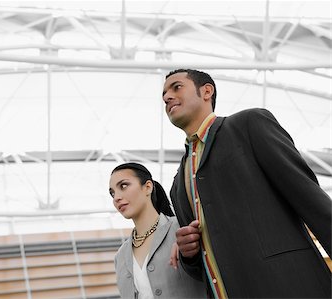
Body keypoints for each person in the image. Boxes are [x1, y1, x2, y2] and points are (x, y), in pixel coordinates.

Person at [162, 68, 332, 298]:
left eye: (176, 87)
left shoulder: (249, 125)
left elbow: (312, 201)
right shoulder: (177, 186)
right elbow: (202, 269)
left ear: (206, 92)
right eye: (164, 94)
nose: (167, 97)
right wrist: (188, 254)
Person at [109, 162, 206, 298]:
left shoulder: (182, 229)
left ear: (148, 187)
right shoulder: (120, 257)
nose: (116, 197)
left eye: (123, 186)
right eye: (112, 193)